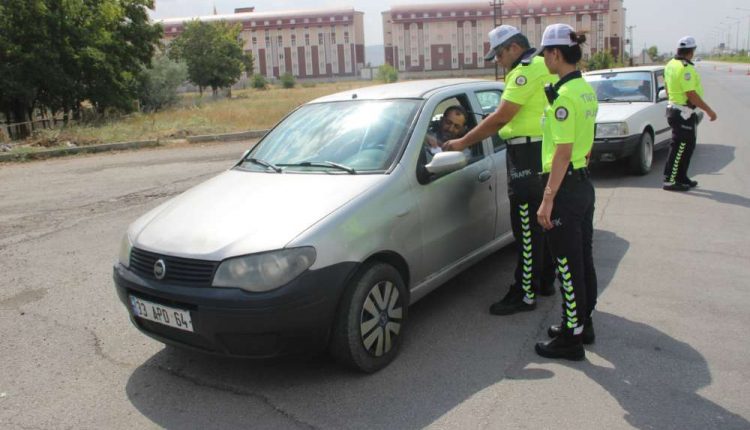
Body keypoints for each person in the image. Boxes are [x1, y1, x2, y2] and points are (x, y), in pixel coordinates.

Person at [442, 25, 557, 315]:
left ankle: (524, 293)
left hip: (526, 156)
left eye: (499, 54)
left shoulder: (523, 72)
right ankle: (544, 280)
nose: (497, 61)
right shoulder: (545, 65)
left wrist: (463, 142)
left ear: (514, 48)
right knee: (541, 225)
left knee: (526, 229)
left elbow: (501, 117)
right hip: (544, 152)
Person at [534, 23, 598, 361]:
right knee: (583, 259)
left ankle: (570, 340)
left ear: (556, 53)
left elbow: (562, 150)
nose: (544, 58)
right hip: (582, 183)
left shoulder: (563, 96)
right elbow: (585, 144)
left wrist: (548, 199)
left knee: (567, 265)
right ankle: (581, 324)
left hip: (565, 187)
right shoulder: (585, 90)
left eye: (545, 53)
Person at [662, 36, 717, 192]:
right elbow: (691, 94)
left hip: (678, 110)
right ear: (691, 52)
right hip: (681, 111)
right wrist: (709, 110)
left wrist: (673, 98)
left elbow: (666, 87)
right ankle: (670, 180)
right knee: (680, 147)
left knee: (688, 146)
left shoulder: (670, 65)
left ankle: (681, 177)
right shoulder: (685, 68)